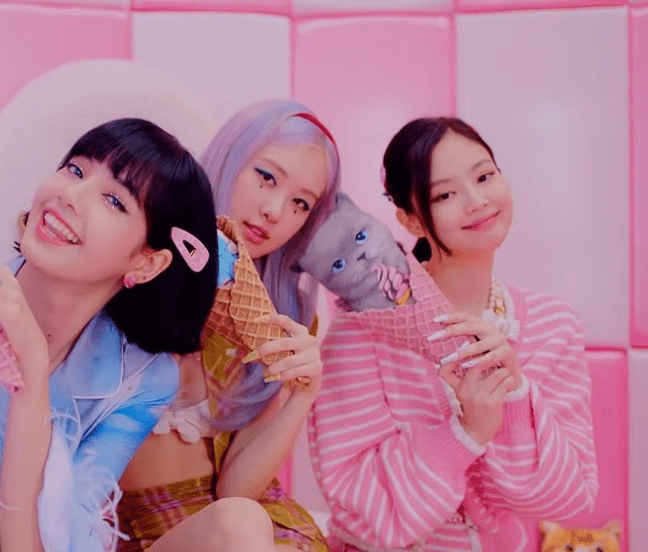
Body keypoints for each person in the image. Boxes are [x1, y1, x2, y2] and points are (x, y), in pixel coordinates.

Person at [0, 118, 219, 552]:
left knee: (240, 522)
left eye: (114, 200)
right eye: (75, 170)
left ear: (146, 263)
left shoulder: (143, 380)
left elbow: (49, 543)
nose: (70, 195)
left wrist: (31, 382)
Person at [309, 117, 598, 551]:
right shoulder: (360, 331)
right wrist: (465, 433)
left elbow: (568, 499)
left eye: (484, 176)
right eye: (445, 194)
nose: (477, 201)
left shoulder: (553, 323)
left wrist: (513, 397)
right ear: (410, 220)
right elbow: (363, 511)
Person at [115, 100, 337, 552]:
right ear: (228, 158)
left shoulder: (284, 317)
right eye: (267, 176)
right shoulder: (134, 262)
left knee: (241, 522)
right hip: (145, 534)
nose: (275, 210)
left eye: (301, 203)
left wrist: (301, 395)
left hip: (258, 529)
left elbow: (237, 491)